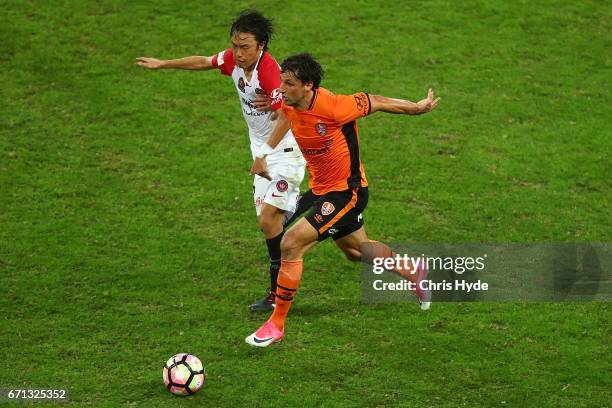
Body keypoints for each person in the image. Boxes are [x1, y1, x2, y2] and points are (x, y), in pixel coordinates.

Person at [245, 53, 439, 347]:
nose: (281, 88)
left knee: (291, 242)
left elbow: (377, 100)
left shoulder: (335, 107)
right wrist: (264, 154)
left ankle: (276, 324)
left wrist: (416, 108)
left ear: (308, 86)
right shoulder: (290, 101)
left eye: (289, 83)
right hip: (323, 190)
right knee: (357, 252)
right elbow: (286, 116)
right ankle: (412, 271)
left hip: (348, 192)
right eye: (282, 81)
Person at [136, 11, 307, 312]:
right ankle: (308, 207)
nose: (237, 54)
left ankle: (276, 294)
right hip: (261, 152)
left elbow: (287, 117)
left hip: (285, 152)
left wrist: (264, 154)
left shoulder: (270, 73)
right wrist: (163, 64)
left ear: (262, 45)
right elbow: (205, 61)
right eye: (235, 46)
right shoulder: (234, 61)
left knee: (269, 220)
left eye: (245, 47)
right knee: (269, 225)